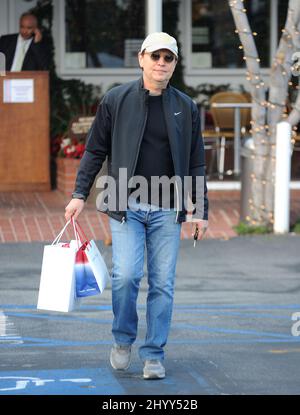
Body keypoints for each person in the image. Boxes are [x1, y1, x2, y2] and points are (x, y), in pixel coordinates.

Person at [65, 32, 209, 380]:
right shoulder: (117, 99)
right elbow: (95, 150)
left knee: (162, 284)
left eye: (168, 58)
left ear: (175, 64)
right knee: (126, 275)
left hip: (168, 209)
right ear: (141, 58)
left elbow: (195, 163)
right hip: (125, 204)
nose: (161, 63)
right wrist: (79, 194)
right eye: (155, 56)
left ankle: (154, 353)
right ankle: (122, 339)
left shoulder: (185, 107)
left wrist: (200, 209)